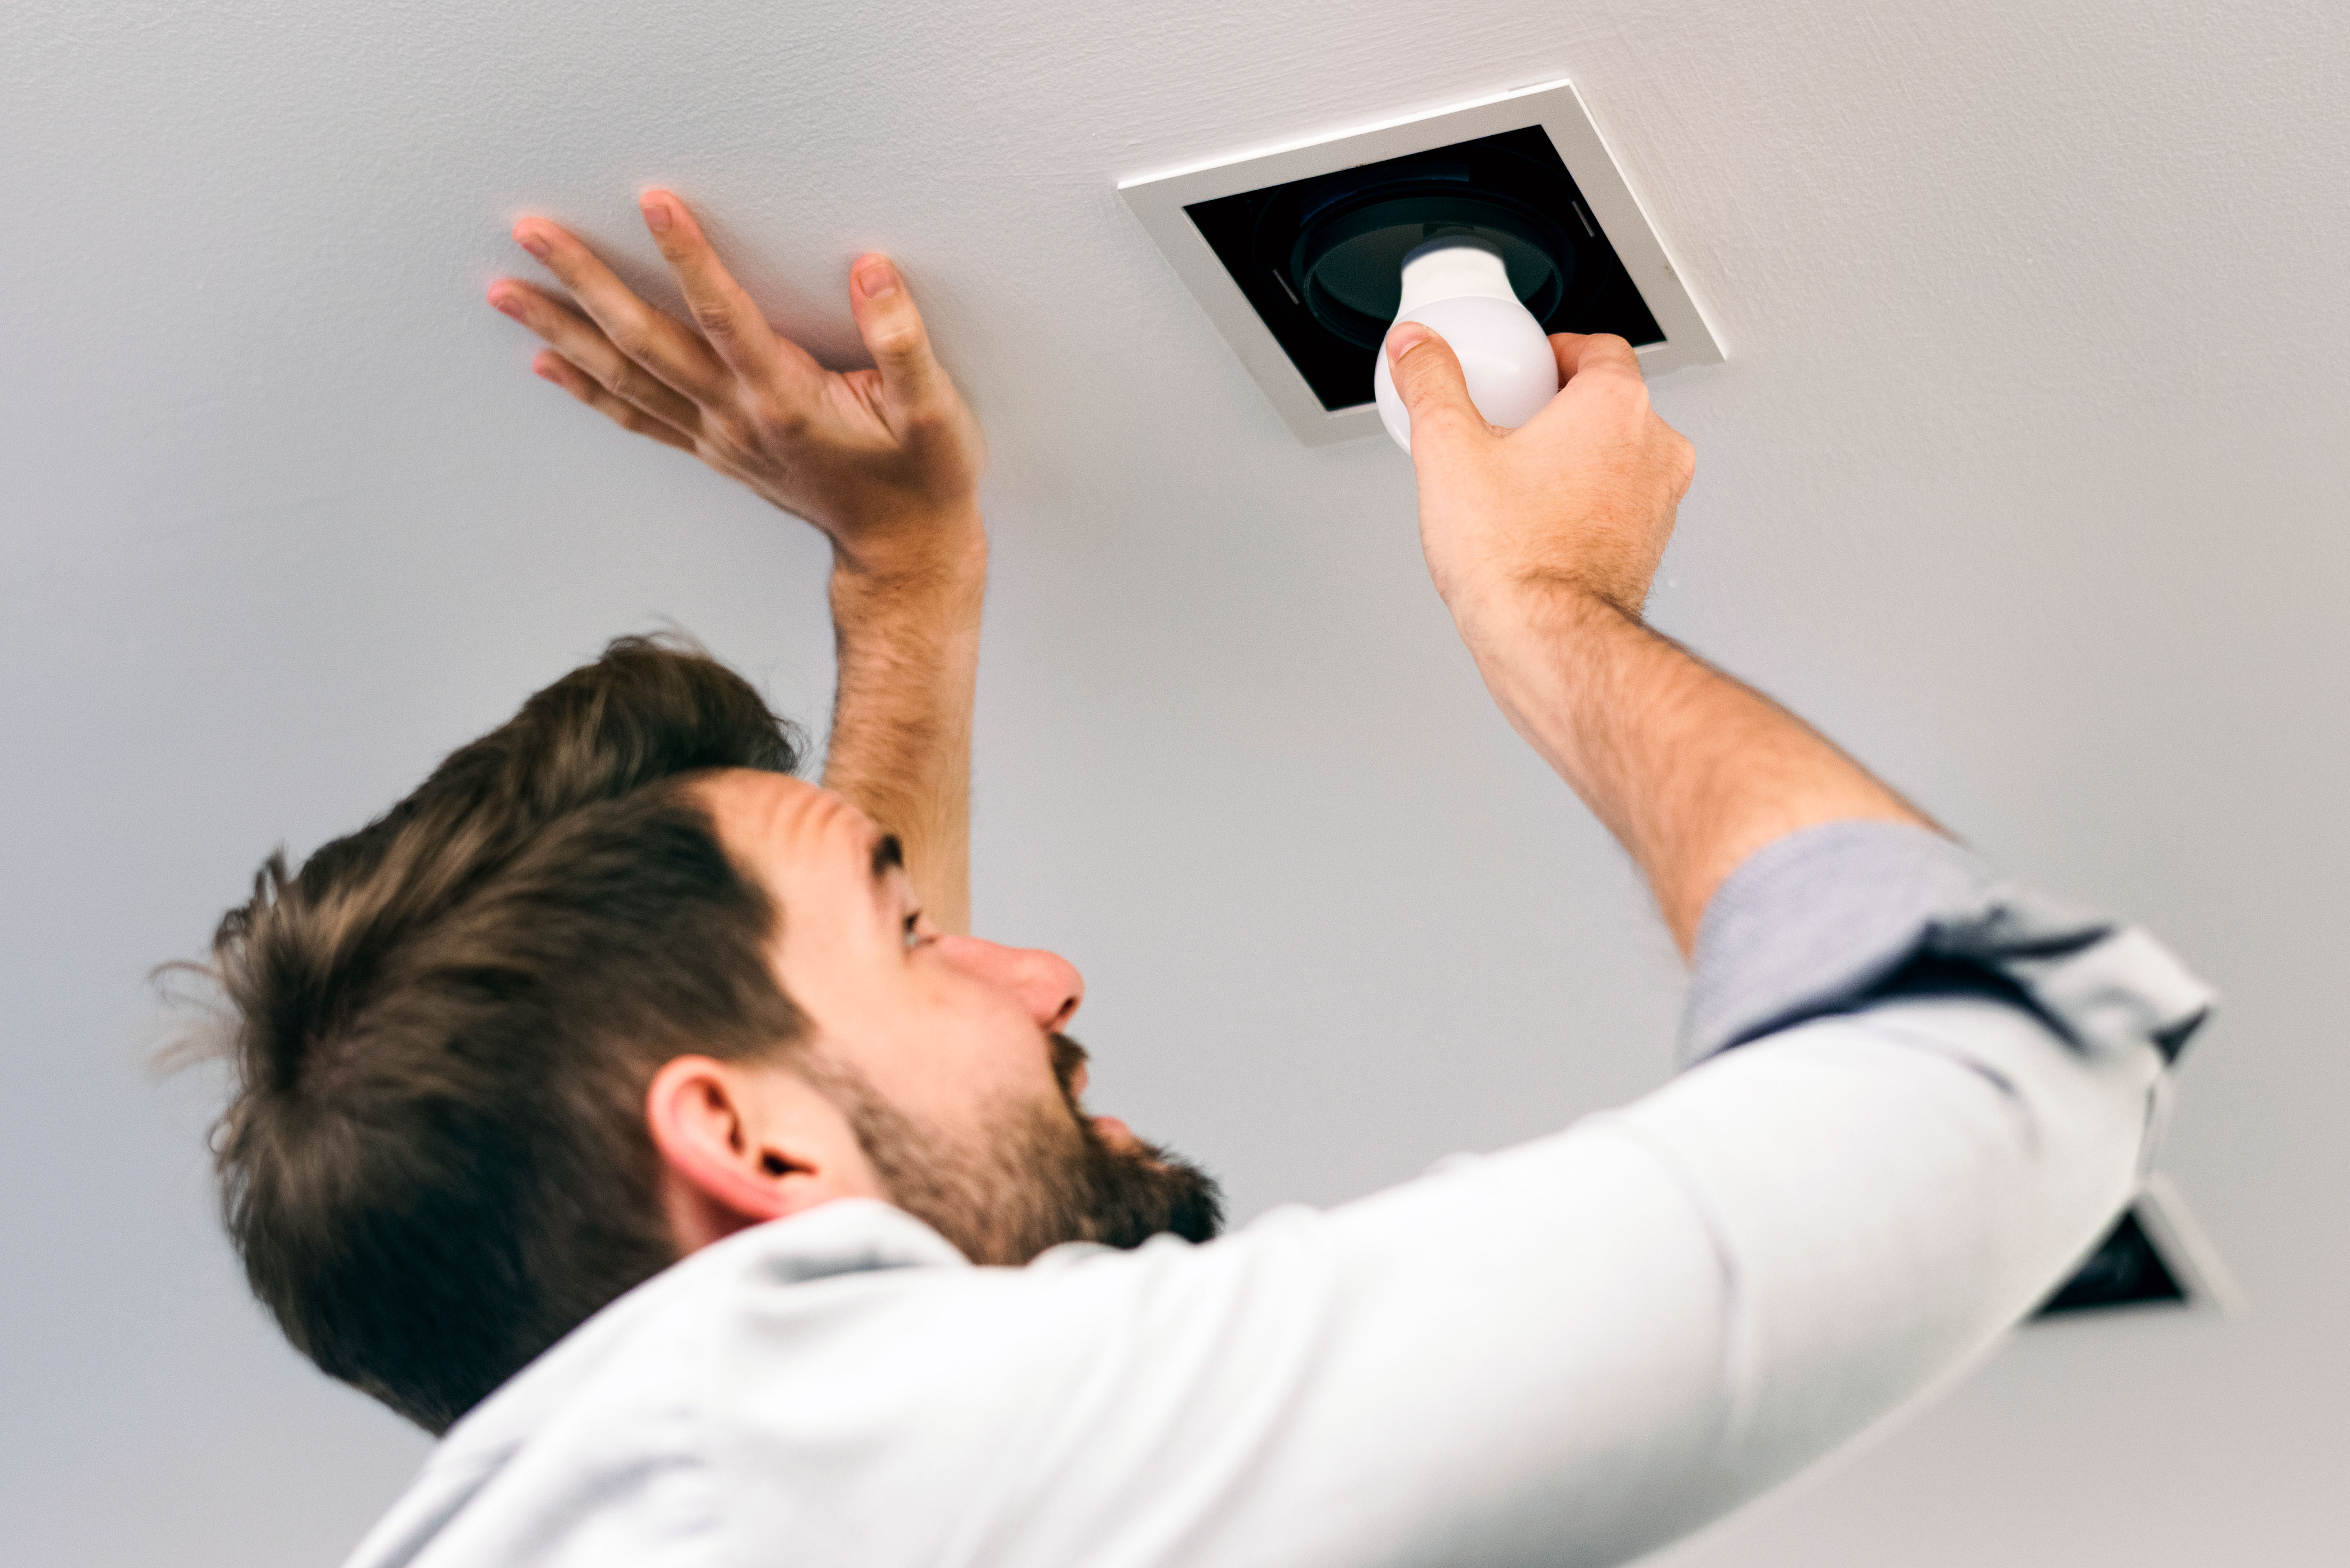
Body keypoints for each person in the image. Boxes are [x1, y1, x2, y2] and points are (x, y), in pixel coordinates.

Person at [196, 188, 2213, 1567]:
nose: (1047, 972)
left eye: (930, 925)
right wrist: (1544, 602)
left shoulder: (712, 1491)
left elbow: (857, 1150)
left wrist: (905, 591)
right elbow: (1984, 1095)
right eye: (914, 940)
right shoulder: (780, 1482)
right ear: (736, 1144)